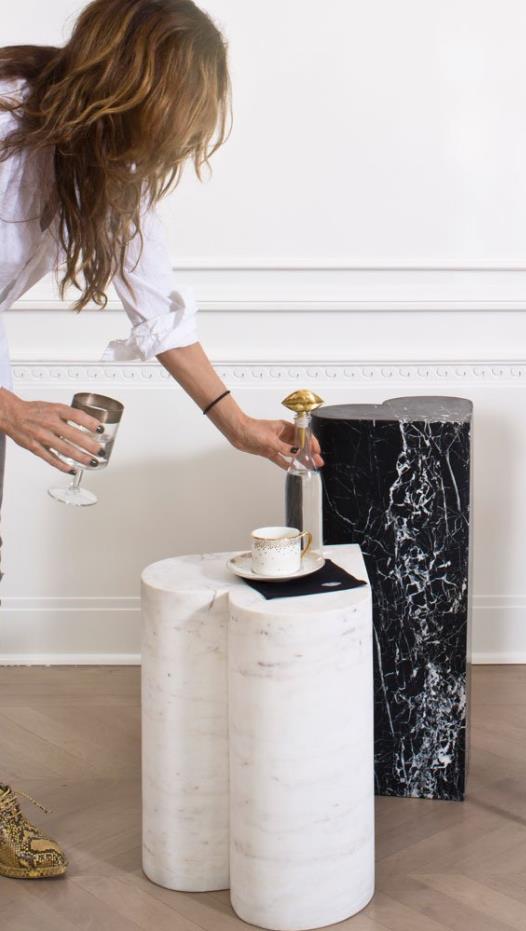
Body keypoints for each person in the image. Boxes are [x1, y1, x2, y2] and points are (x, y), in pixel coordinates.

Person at [0, 0, 322, 879]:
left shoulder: (105, 162)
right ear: (127, 83)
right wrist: (10, 409)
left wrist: (238, 424)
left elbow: (157, 305)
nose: (174, 141)